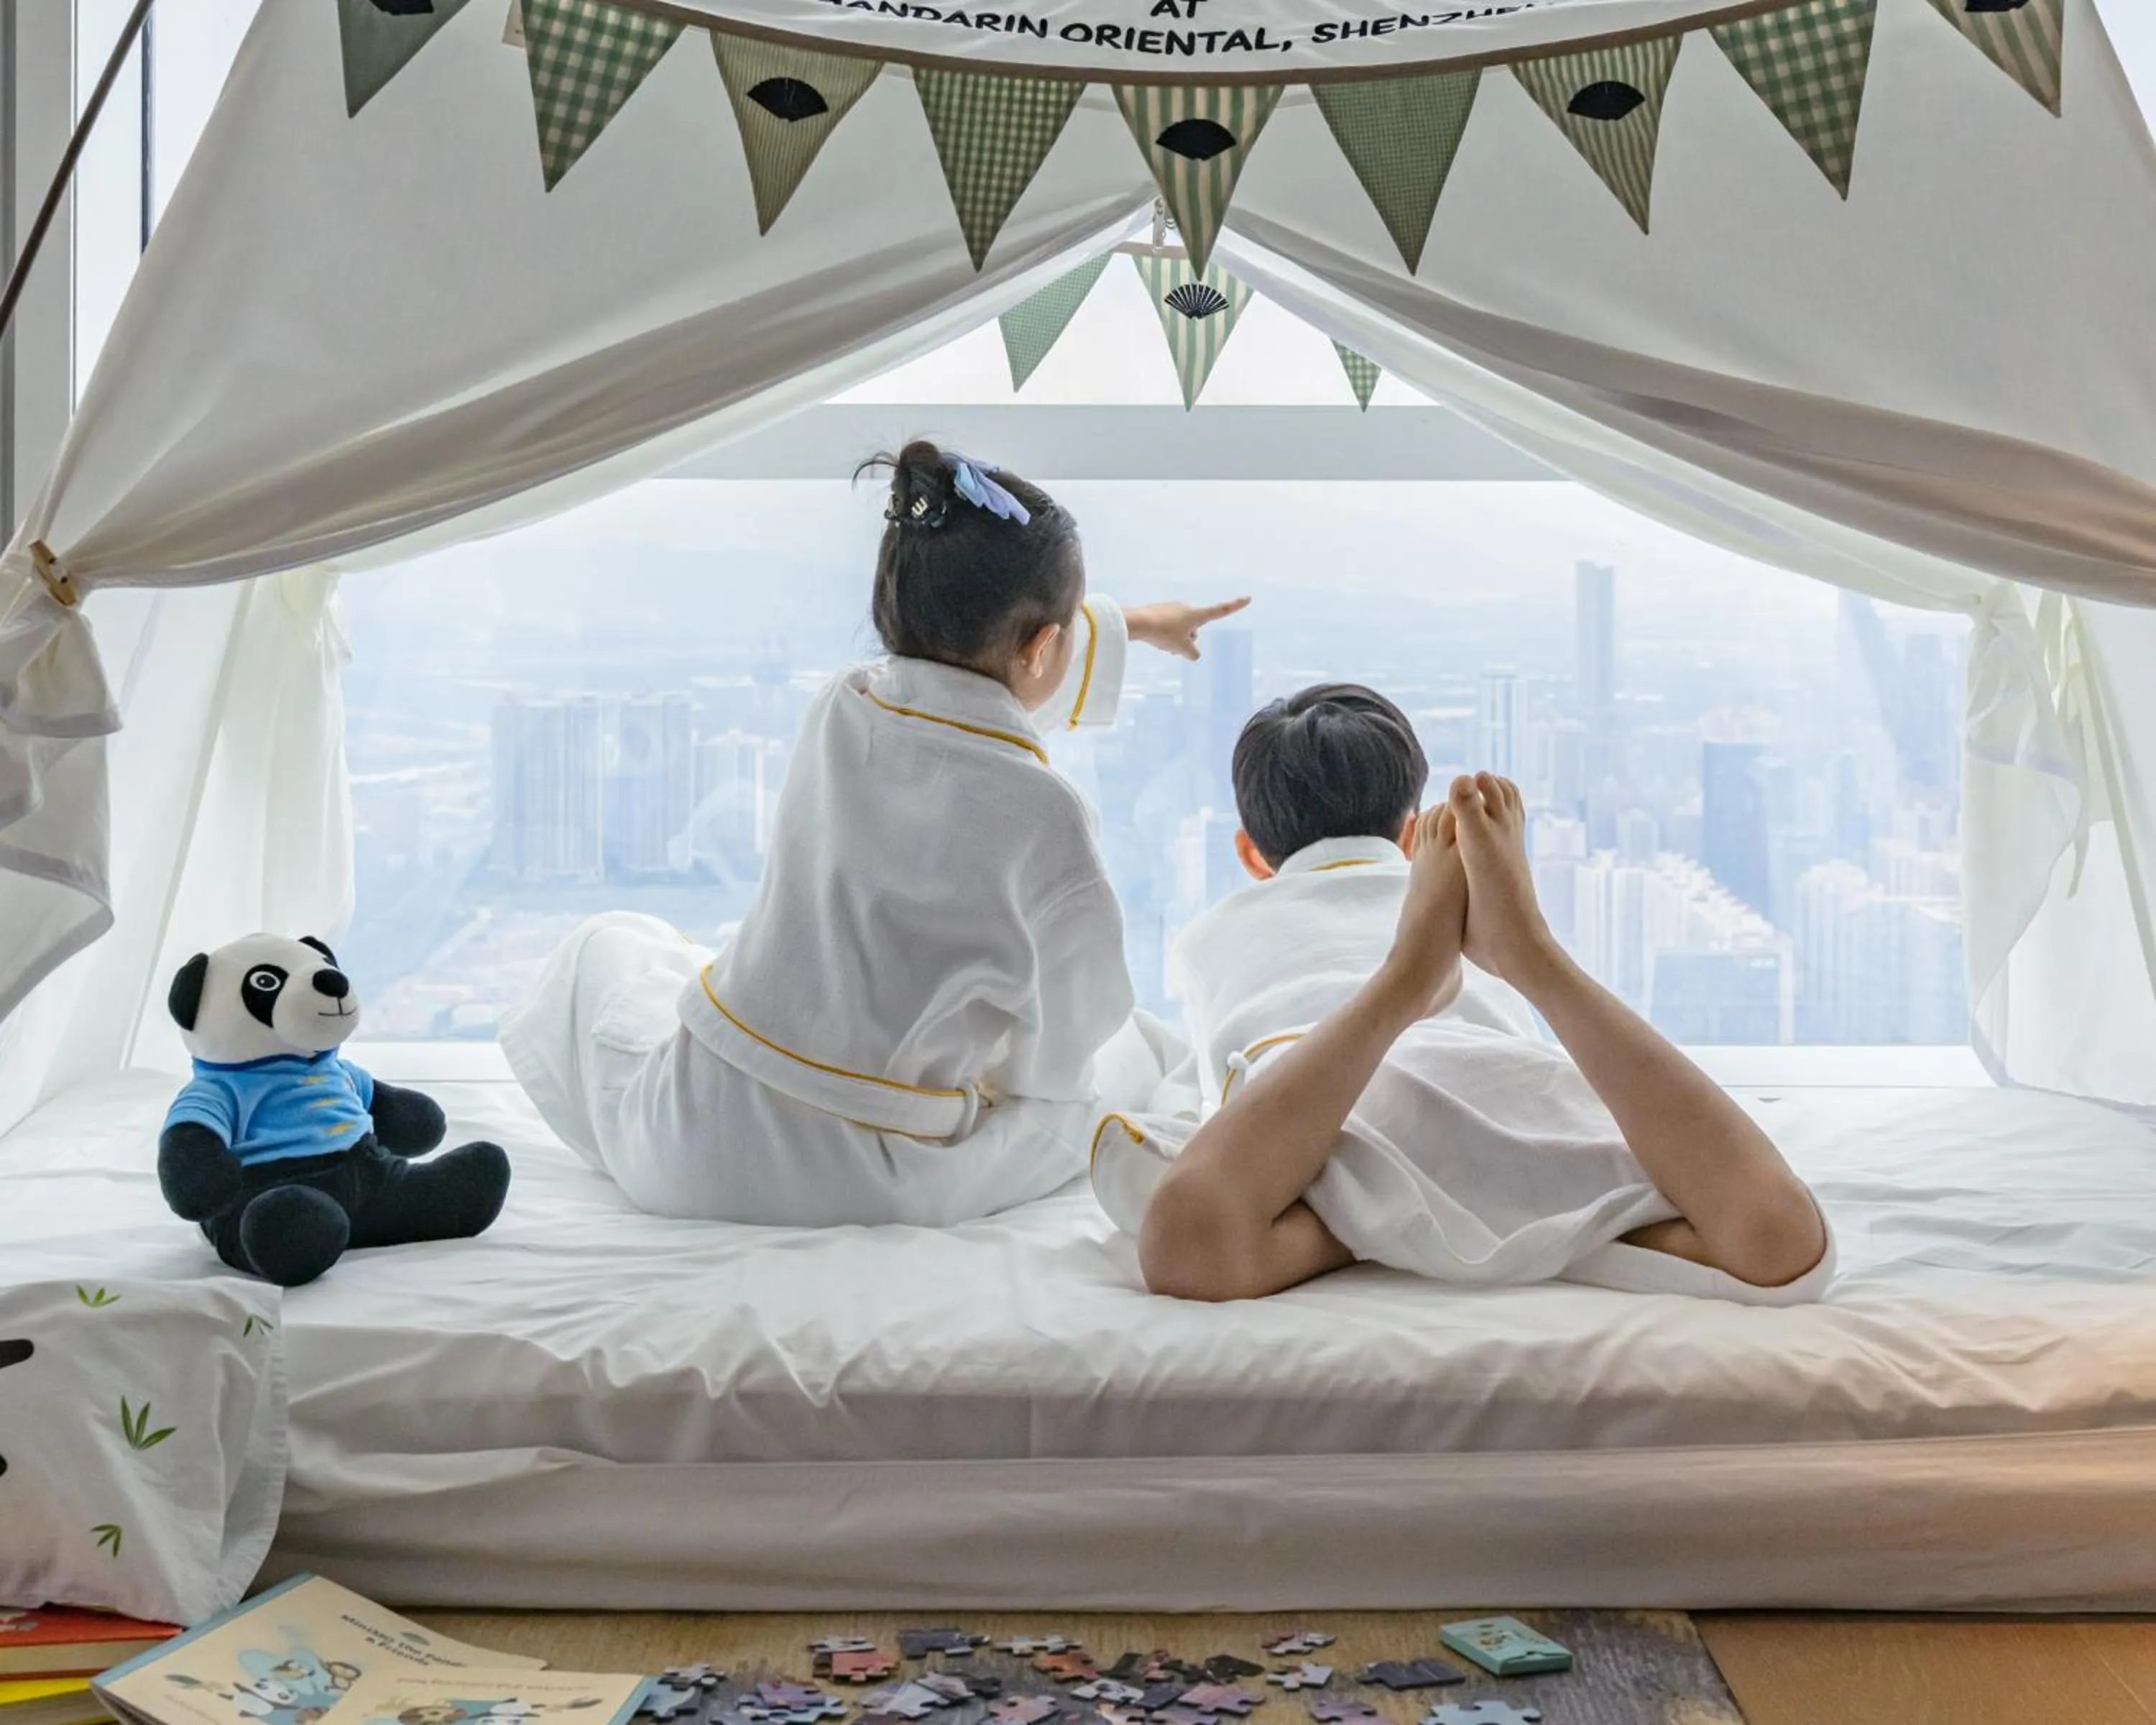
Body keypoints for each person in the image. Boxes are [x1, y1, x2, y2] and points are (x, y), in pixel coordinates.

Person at [501, 441, 1242, 1225]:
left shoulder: (843, 707)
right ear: (1042, 645)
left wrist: (1131, 624)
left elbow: (973, 686)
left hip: (688, 1137)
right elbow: (1059, 1050)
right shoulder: (1045, 815)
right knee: (1118, 1059)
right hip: (867, 1171)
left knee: (610, 946)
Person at [1092, 684, 1833, 1305]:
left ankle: (1402, 995)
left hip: (1318, 1110)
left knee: (1190, 1242)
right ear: (1411, 836)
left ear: (1251, 856)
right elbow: (1779, 1242)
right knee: (1778, 1238)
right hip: (1495, 1085)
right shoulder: (1445, 890)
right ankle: (1530, 956)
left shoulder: (1212, 936)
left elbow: (1201, 1135)